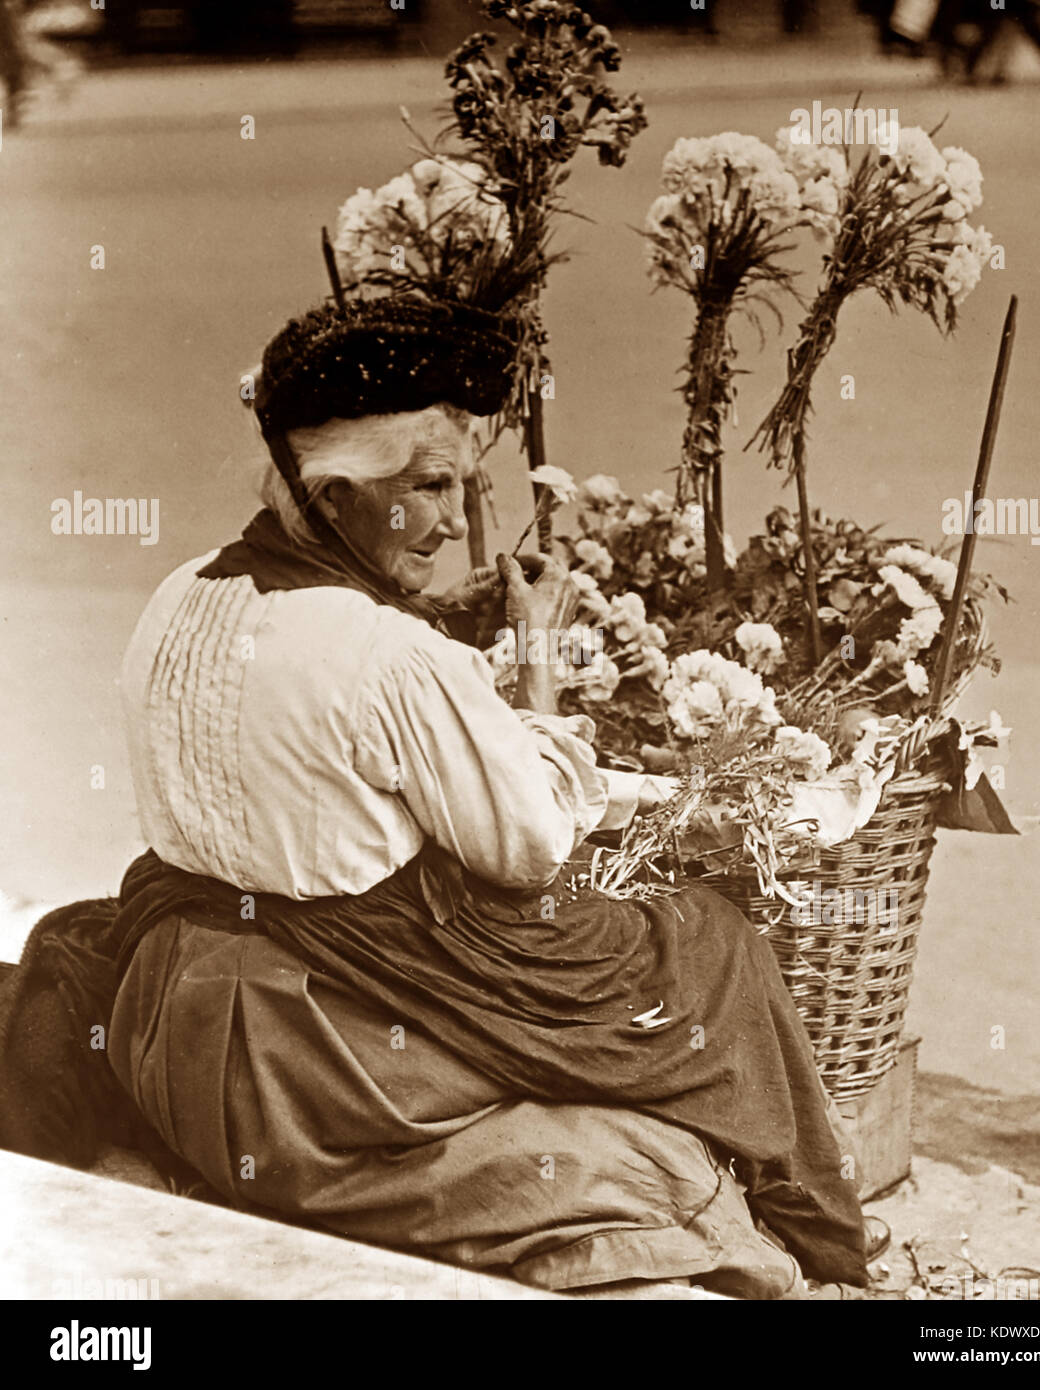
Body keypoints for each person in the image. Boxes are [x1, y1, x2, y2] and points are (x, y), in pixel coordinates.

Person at [1, 292, 874, 1297]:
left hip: (175, 1017)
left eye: (461, 486)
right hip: (317, 1064)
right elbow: (532, 842)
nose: (455, 523)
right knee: (712, 945)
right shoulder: (391, 655)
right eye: (425, 487)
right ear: (332, 494)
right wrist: (537, 669)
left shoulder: (182, 592)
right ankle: (818, 1242)